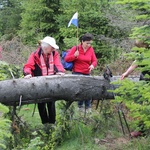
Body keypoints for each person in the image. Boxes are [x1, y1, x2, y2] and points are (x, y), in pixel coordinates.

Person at [23, 36, 65, 124]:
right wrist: (28, 74)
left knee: (51, 103)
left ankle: (52, 123)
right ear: (46, 47)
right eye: (52, 47)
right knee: (41, 104)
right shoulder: (35, 55)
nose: (53, 49)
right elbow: (28, 66)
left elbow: (58, 64)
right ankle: (45, 124)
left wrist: (60, 71)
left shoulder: (54, 54)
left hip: (51, 82)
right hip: (38, 83)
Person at [120, 39, 149, 137]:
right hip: (143, 82)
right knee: (141, 106)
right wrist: (126, 73)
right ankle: (141, 130)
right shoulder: (141, 54)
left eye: (139, 47)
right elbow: (136, 62)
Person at [65, 33, 98, 113]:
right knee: (81, 91)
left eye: (90, 43)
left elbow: (94, 60)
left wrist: (92, 66)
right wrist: (74, 56)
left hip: (87, 72)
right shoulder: (76, 48)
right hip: (77, 73)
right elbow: (67, 59)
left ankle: (88, 108)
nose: (89, 45)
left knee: (89, 90)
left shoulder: (91, 49)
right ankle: (80, 108)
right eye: (87, 43)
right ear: (82, 42)